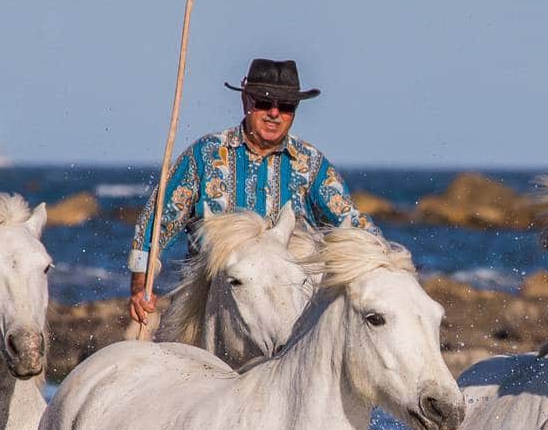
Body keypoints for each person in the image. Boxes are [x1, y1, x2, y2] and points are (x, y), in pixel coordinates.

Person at [127, 58, 377, 325]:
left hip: (291, 313)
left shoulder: (311, 164)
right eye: (264, 102)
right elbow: (155, 223)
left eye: (286, 106)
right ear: (246, 100)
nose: (274, 113)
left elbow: (353, 227)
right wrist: (140, 285)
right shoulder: (205, 156)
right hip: (207, 310)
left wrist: (385, 266)